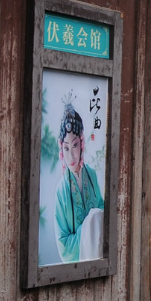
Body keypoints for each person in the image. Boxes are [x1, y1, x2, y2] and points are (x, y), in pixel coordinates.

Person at [55, 103, 105, 262]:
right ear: (60, 148)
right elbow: (64, 245)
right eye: (66, 148)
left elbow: (102, 209)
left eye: (75, 145)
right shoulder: (61, 190)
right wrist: (89, 227)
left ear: (82, 142)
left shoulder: (90, 174)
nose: (71, 156)